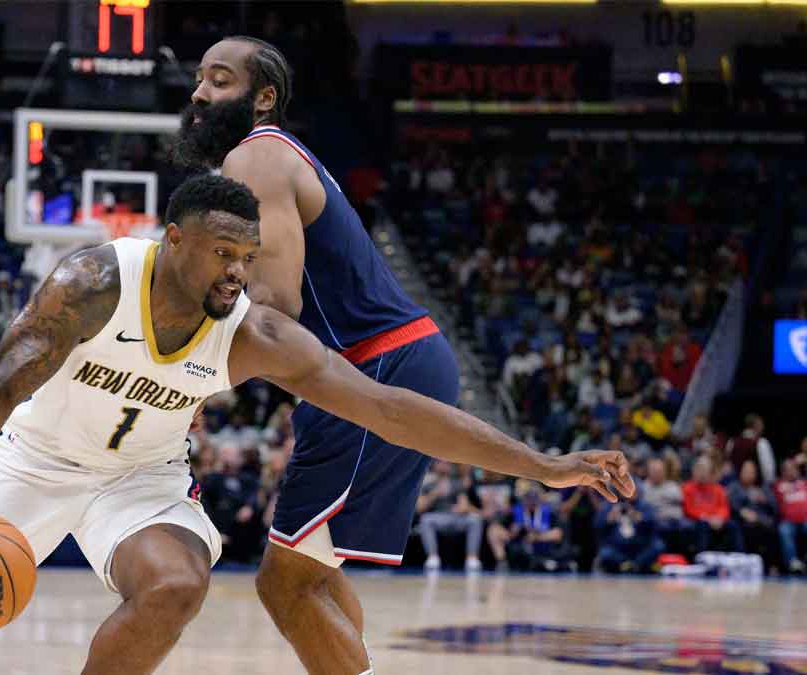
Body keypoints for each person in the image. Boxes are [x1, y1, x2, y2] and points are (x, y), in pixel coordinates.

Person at [0, 176, 633, 675]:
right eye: (222, 252)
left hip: (139, 480)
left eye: (246, 257)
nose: (237, 273)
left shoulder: (254, 333)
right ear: (172, 240)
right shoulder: (92, 284)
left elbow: (390, 410)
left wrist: (541, 464)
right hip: (35, 461)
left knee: (178, 582)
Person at [173, 37, 600, 673]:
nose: (200, 94)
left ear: (264, 98)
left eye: (220, 80)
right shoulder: (269, 160)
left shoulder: (254, 156)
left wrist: (182, 368)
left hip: (375, 364)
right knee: (313, 575)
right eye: (200, 80)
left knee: (283, 583)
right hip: (380, 362)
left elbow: (274, 306)